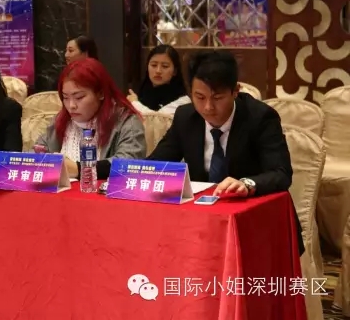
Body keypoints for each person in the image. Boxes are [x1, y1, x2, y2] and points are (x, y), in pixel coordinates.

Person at [147, 50, 304, 254]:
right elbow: (156, 163)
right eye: (199, 97)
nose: (208, 107)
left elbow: (281, 173)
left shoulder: (260, 117)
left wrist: (247, 184)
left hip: (255, 223)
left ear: (235, 91)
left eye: (217, 98)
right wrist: (118, 174)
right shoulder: (186, 117)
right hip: (202, 223)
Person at [36, 58, 146, 180]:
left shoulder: (126, 122)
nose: (71, 105)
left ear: (101, 93)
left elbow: (130, 163)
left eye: (79, 97)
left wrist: (78, 169)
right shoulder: (61, 120)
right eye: (65, 98)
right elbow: (37, 152)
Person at [128, 44, 190, 115]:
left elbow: (156, 119)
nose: (158, 71)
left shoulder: (183, 101)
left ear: (175, 71)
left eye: (165, 66)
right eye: (154, 65)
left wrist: (135, 104)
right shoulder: (140, 93)